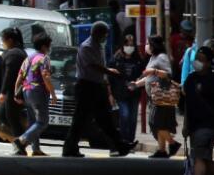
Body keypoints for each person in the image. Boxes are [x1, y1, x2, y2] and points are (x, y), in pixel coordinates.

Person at [64, 21, 131, 158]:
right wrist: (111, 72)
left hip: (97, 86)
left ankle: (120, 145)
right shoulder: (86, 47)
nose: (105, 37)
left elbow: (100, 67)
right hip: (86, 87)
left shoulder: (98, 46)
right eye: (104, 34)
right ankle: (69, 148)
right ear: (97, 33)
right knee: (80, 119)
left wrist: (106, 81)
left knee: (105, 118)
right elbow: (94, 67)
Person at [180, 46, 214, 175]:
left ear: (209, 62)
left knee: (200, 157)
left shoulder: (213, 80)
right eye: (197, 58)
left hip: (208, 125)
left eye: (202, 59)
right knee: (205, 159)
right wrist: (186, 125)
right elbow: (187, 104)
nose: (197, 62)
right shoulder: (191, 79)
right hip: (194, 126)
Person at [15, 33, 57, 157]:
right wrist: (53, 94)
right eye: (49, 45)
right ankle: (22, 140)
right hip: (38, 91)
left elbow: (20, 76)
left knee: (33, 121)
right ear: (45, 46)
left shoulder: (28, 58)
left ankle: (36, 149)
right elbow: (46, 77)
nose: (49, 48)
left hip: (26, 91)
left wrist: (16, 93)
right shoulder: (44, 58)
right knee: (42, 121)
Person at [0, 28, 30, 155]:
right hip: (13, 92)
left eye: (3, 40)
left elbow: (9, 75)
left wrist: (3, 91)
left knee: (11, 118)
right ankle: (20, 141)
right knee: (3, 116)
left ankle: (22, 143)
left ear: (10, 40)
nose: (2, 43)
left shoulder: (15, 54)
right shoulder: (15, 52)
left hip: (14, 92)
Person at [108, 30, 145, 145]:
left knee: (133, 118)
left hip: (134, 93)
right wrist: (110, 94)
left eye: (131, 45)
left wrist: (138, 81)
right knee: (124, 115)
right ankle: (123, 140)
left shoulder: (138, 59)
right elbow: (109, 77)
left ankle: (130, 140)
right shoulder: (116, 59)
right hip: (120, 93)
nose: (129, 47)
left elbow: (143, 73)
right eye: (127, 44)